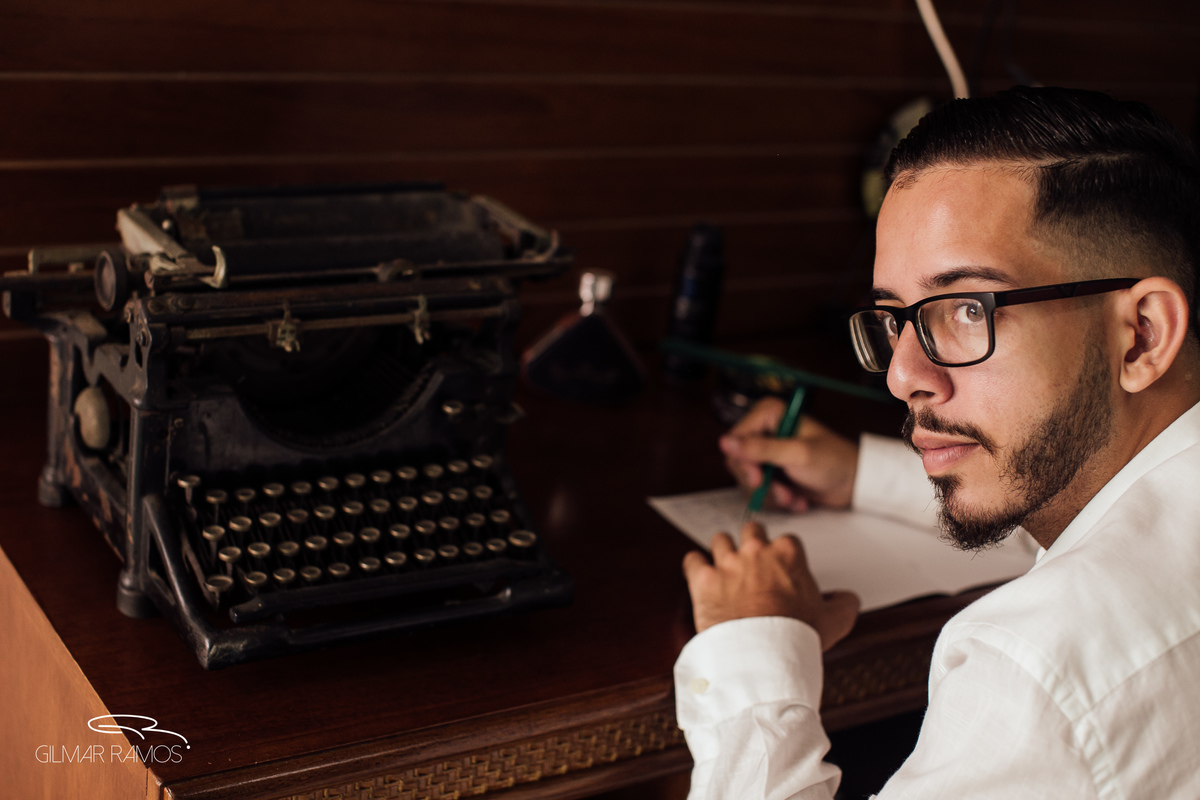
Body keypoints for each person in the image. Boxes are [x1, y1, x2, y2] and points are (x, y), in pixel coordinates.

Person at [674, 85, 1200, 798]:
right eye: (895, 317)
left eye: (964, 309)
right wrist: (861, 473)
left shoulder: (1036, 676)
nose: (902, 376)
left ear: (1141, 334)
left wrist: (753, 655)